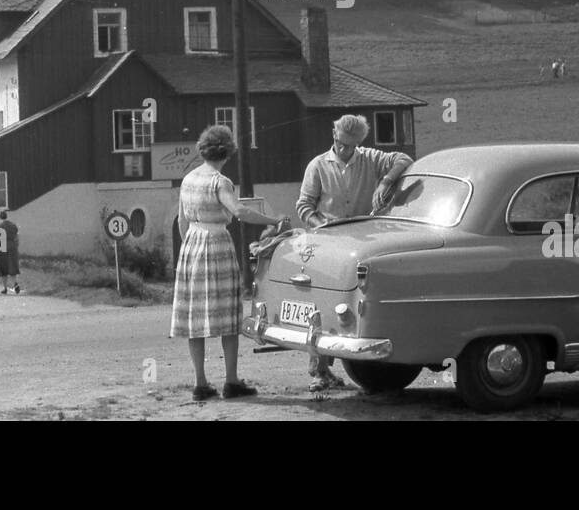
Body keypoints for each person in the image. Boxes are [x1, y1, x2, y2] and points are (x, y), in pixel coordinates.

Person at [171, 124, 288, 401]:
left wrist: (190, 246)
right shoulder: (219, 181)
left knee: (194, 315)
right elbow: (238, 211)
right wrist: (274, 220)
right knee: (229, 315)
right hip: (216, 246)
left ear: (203, 149)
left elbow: (181, 221)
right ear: (227, 152)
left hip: (192, 246)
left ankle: (200, 382)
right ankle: (231, 380)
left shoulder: (188, 179)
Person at [295, 114, 412, 391]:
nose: (344, 150)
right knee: (321, 304)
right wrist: (321, 225)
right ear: (334, 137)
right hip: (327, 243)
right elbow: (304, 206)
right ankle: (319, 370)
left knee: (351, 305)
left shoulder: (370, 158)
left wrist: (385, 182)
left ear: (359, 143)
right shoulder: (318, 165)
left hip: (359, 243)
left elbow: (403, 160)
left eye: (350, 146)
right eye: (340, 143)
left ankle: (355, 360)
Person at [0, 209, 20, 294]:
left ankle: (5, 288)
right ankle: (14, 283)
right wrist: (16, 246)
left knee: (3, 268)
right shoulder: (13, 225)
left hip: (2, 246)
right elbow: (17, 238)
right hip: (12, 246)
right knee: (12, 266)